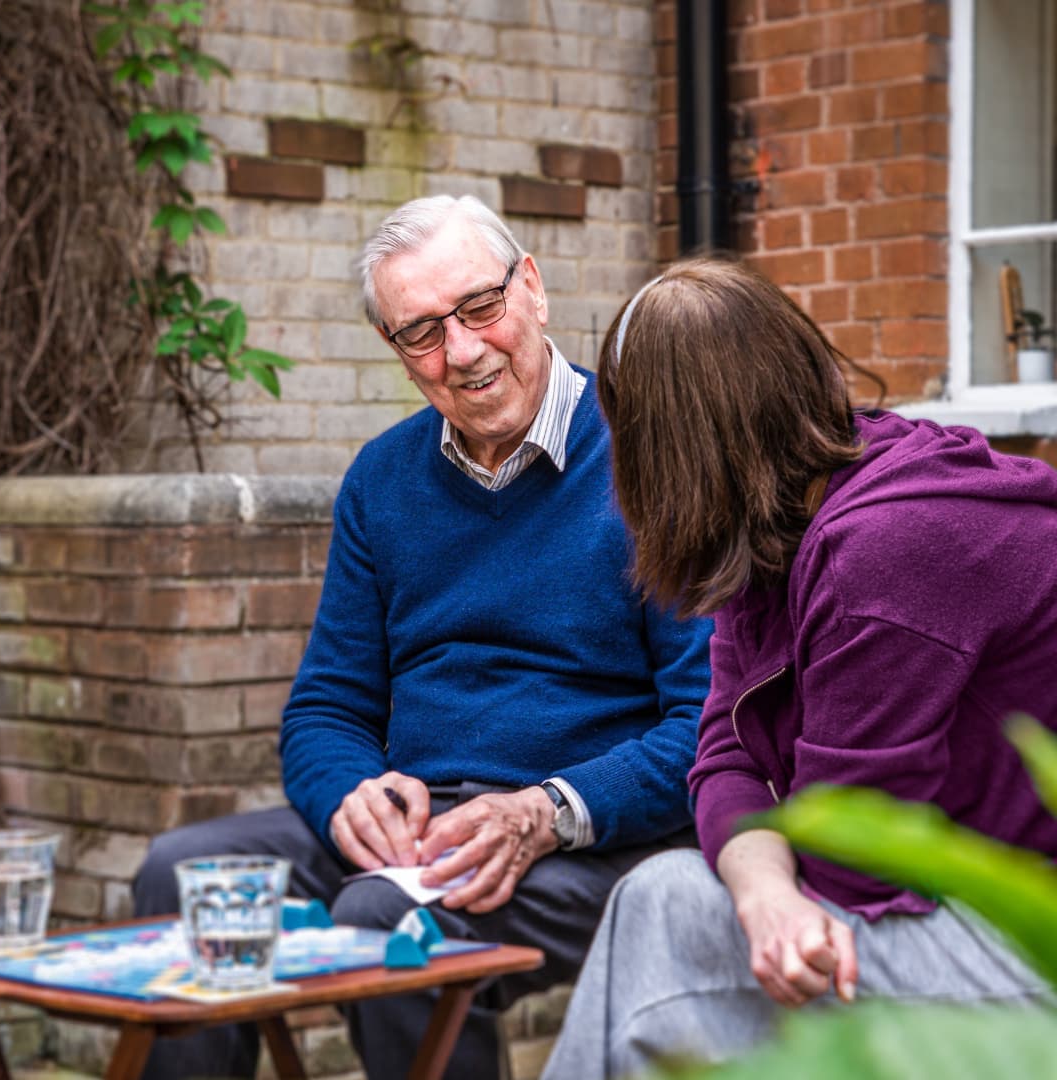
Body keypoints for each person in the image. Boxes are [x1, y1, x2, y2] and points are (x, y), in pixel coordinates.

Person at [132, 195, 713, 1080]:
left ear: (533, 288)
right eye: (423, 332)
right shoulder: (382, 479)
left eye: (481, 308)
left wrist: (545, 812)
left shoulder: (651, 457)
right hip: (418, 832)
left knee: (386, 924)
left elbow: (706, 723)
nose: (465, 352)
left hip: (591, 836)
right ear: (397, 353)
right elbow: (328, 706)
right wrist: (345, 796)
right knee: (184, 876)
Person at [542, 257, 1057, 1080]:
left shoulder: (885, 554)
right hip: (957, 915)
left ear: (667, 453)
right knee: (673, 900)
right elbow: (724, 757)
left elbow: (856, 856)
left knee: (668, 909)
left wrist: (769, 886)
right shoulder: (786, 519)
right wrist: (764, 891)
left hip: (1032, 951)